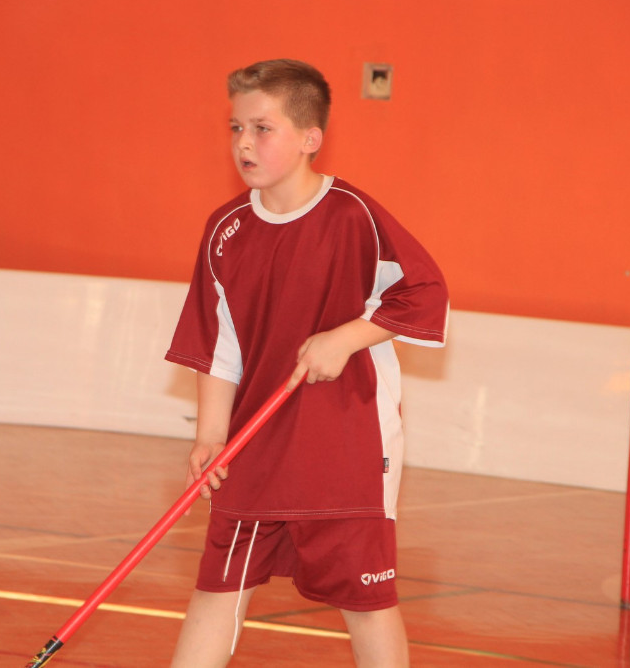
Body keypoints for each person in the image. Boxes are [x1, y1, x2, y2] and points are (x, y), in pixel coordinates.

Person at [164, 58, 449, 667]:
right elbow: (217, 344)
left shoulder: (353, 216)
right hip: (255, 445)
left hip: (342, 446)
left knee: (366, 602)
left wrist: (346, 337)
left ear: (309, 139)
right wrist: (211, 436)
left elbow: (425, 293)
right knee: (218, 589)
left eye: (262, 128)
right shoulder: (225, 230)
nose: (244, 142)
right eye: (236, 128)